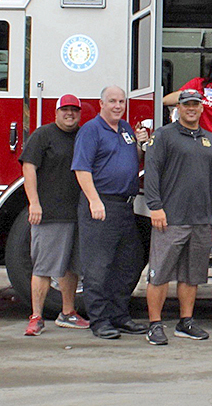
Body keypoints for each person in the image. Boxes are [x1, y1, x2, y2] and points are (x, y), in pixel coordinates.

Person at [143, 89, 212, 345]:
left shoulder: (209, 139)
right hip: (171, 218)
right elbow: (151, 171)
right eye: (187, 104)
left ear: (202, 108)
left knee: (192, 275)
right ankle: (155, 325)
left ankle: (185, 322)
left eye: (196, 105)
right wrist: (155, 206)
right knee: (160, 274)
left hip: (201, 219)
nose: (192, 108)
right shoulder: (164, 135)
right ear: (179, 107)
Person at [71, 86, 148, 339]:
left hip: (125, 207)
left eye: (121, 101)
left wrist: (140, 145)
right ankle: (100, 321)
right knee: (98, 267)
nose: (117, 105)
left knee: (130, 262)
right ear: (101, 103)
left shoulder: (125, 129)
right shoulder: (90, 131)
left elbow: (131, 159)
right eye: (112, 101)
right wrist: (94, 201)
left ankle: (119, 315)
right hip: (101, 206)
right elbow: (82, 169)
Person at [20, 93, 90, 336]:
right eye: (65, 110)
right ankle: (36, 317)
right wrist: (34, 203)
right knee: (43, 267)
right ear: (56, 112)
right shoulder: (43, 135)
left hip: (79, 213)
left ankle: (68, 313)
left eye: (74, 110)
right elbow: (28, 167)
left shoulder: (84, 135)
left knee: (72, 268)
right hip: (50, 213)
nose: (69, 114)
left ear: (80, 113)